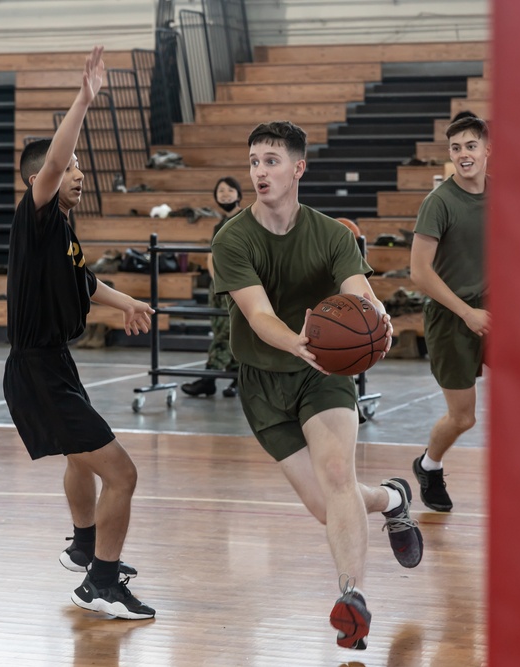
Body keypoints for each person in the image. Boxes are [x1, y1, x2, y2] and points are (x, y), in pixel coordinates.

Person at [211, 121, 424, 651]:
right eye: (255, 161)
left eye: (272, 161)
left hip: (322, 373)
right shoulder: (233, 237)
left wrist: (375, 314)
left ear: (298, 168)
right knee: (328, 505)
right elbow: (258, 314)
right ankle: (393, 498)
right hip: (264, 379)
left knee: (336, 473)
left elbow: (357, 289)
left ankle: (352, 598)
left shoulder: (331, 235)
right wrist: (296, 339)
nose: (260, 171)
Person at [2, 46, 157, 621]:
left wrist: (127, 303)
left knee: (80, 459)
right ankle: (102, 584)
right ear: (42, 178)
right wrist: (84, 100)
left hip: (52, 365)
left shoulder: (62, 231)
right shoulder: (35, 212)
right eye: (70, 168)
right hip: (36, 369)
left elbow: (85, 282)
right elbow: (51, 163)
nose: (79, 173)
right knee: (122, 473)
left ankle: (86, 546)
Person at [409, 114, 490, 512]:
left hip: (494, 308)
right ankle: (429, 465)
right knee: (463, 418)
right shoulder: (438, 203)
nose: (463, 154)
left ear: (488, 150)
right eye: (456, 148)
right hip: (450, 315)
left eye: (470, 146)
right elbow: (419, 273)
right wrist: (467, 313)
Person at [181, 176, 243, 398]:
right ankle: (236, 380)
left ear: (238, 194)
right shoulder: (219, 223)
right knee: (222, 331)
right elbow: (212, 255)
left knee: (226, 335)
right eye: (220, 191)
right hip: (217, 286)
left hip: (235, 287)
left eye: (229, 190)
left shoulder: (245, 220)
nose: (225, 194)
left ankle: (209, 379)